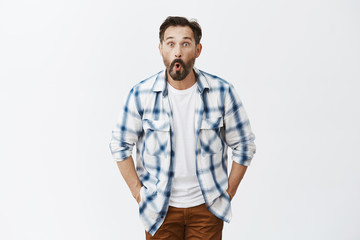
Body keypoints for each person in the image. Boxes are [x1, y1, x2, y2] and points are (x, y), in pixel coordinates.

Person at [110, 16, 256, 240]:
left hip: (207, 209)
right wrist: (140, 195)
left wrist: (228, 193)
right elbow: (119, 145)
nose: (177, 51)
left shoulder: (222, 92)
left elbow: (244, 145)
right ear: (160, 49)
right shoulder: (140, 94)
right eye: (170, 43)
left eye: (185, 44)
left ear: (198, 50)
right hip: (159, 211)